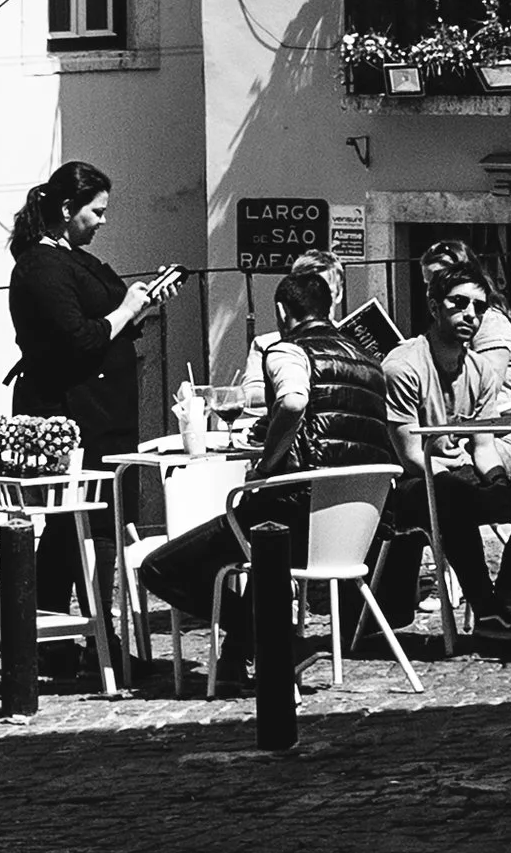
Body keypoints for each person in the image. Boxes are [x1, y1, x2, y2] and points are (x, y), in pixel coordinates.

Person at [134, 262, 397, 690]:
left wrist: (269, 462)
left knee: (160, 569)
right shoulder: (368, 361)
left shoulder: (288, 350)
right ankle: (239, 661)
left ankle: (271, 640)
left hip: (295, 511)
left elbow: (293, 403)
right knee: (259, 561)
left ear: (281, 311)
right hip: (351, 527)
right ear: (328, 306)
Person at [6, 162, 182, 607]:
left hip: (105, 411)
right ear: (67, 209)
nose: (102, 222)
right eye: (96, 212)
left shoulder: (76, 261)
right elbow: (79, 338)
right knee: (77, 523)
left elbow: (107, 324)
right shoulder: (40, 267)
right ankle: (83, 632)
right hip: (74, 413)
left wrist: (140, 307)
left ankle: (90, 633)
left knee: (100, 520)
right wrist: (125, 310)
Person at [381, 244, 511, 633]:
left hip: (454, 477)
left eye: (479, 308)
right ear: (435, 307)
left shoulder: (482, 370)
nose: (470, 314)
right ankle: (485, 608)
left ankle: (506, 600)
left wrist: (499, 482)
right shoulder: (403, 366)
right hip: (403, 487)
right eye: (458, 303)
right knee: (450, 493)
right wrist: (463, 475)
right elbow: (410, 457)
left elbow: (483, 446)